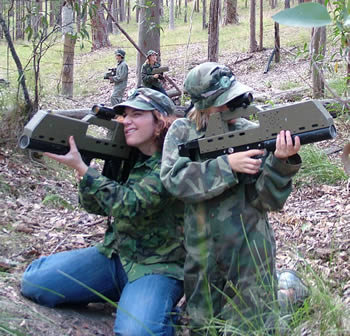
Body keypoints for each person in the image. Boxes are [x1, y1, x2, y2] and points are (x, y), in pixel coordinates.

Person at [21, 88, 185, 336]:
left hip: (157, 267)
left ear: (160, 120)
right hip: (115, 256)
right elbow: (96, 206)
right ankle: (128, 295)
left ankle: (157, 311)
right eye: (125, 115)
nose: (127, 121)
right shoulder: (128, 157)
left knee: (138, 333)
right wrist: (83, 169)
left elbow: (132, 203)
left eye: (137, 114)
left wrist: (87, 173)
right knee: (35, 282)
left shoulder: (173, 162)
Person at [160, 62, 303, 335]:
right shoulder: (182, 131)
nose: (232, 108)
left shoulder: (252, 130)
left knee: (253, 328)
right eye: (224, 103)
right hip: (202, 255)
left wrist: (281, 163)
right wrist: (227, 165)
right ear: (202, 105)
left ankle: (288, 292)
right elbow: (173, 181)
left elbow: (269, 201)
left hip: (250, 254)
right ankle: (283, 290)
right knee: (205, 330)